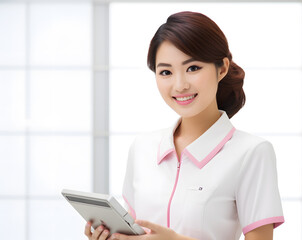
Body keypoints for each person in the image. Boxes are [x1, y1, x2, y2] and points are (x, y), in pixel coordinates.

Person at [85, 11, 284, 240]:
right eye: (166, 72)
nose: (180, 85)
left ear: (222, 68)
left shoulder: (252, 152)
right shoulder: (142, 148)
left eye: (193, 68)